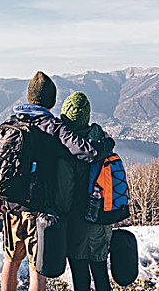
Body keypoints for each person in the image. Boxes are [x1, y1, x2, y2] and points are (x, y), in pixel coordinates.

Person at [0, 72, 115, 291]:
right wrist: (108, 142)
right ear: (51, 102)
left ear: (29, 96)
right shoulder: (51, 126)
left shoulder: (11, 122)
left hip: (11, 206)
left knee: (11, 261)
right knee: (37, 269)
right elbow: (87, 152)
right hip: (37, 208)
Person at [54, 92, 113, 291]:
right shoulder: (101, 140)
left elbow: (64, 197)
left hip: (78, 224)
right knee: (101, 274)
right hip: (102, 221)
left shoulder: (67, 151)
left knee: (81, 278)